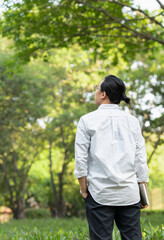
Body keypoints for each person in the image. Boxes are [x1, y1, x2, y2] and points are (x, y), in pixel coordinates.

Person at [74, 75, 149, 240]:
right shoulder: (132, 121)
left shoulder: (87, 121)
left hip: (99, 193)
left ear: (103, 94)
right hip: (129, 194)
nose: (95, 91)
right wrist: (143, 191)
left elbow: (80, 160)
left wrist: (83, 189)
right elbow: (140, 159)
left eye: (97, 88)